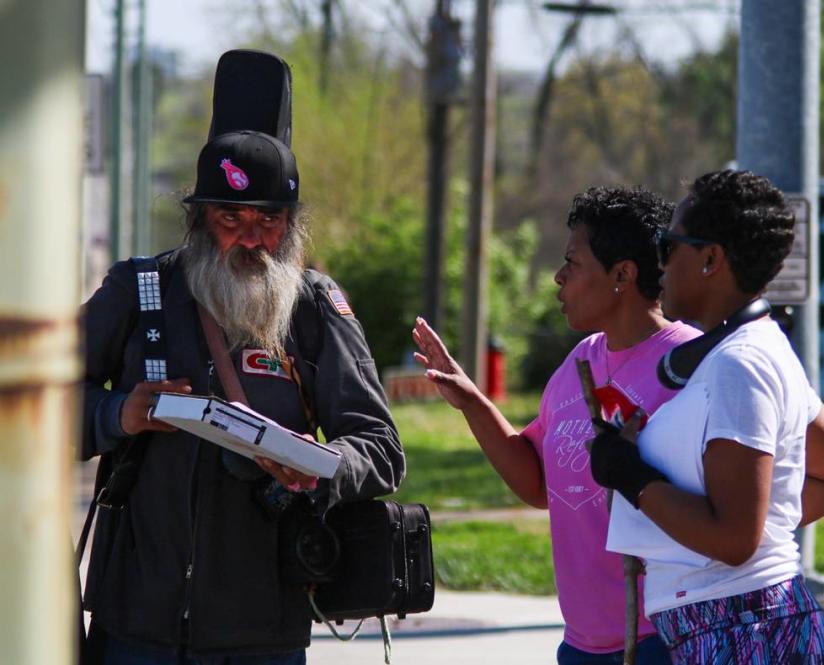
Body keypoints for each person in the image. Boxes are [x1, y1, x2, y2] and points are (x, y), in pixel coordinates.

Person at [80, 129, 405, 664]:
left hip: (264, 629)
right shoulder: (139, 289)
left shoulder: (314, 307)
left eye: (269, 221)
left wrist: (318, 463)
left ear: (291, 226)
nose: (251, 239)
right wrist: (120, 413)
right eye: (231, 219)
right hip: (137, 623)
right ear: (200, 220)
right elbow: (39, 404)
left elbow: (381, 447)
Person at [412, 186, 701, 664]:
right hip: (582, 645)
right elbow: (536, 483)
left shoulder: (690, 364)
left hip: (660, 639)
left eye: (573, 262)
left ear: (622, 275)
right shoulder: (580, 363)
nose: (558, 277)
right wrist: (472, 402)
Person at [590, 170, 824, 663]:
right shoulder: (756, 347)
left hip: (742, 631)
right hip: (740, 623)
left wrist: (633, 478)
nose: (660, 264)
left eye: (668, 246)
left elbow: (735, 539)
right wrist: (763, 528)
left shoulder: (741, 365)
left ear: (711, 259)